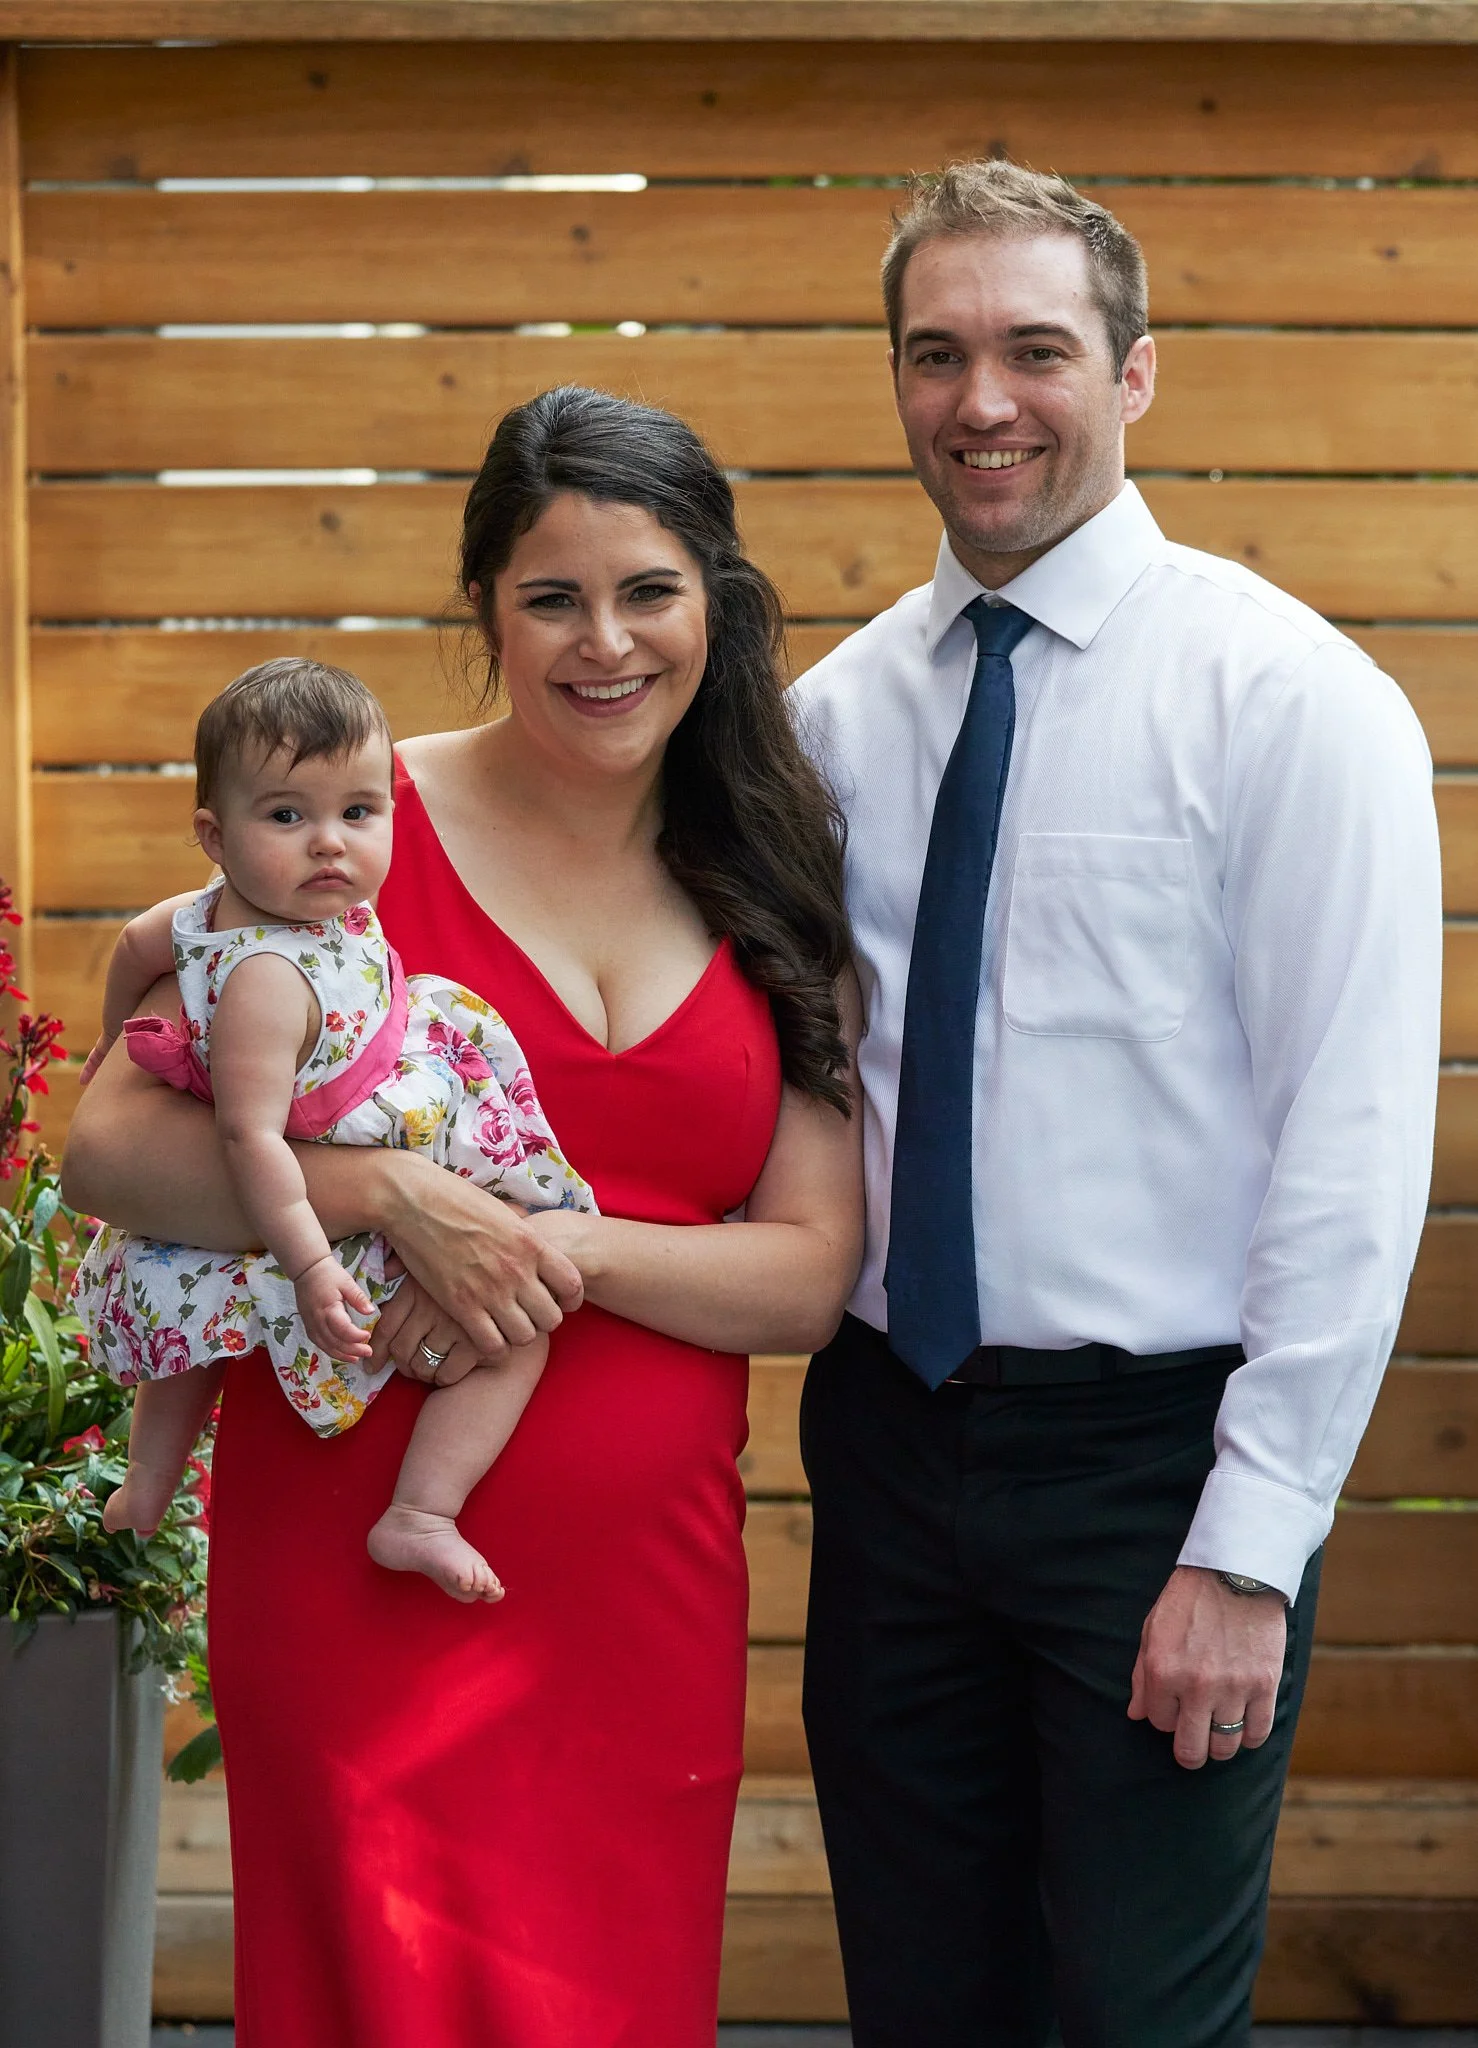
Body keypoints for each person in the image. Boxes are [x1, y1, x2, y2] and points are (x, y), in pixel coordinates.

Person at [63, 386, 863, 2048]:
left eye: (647, 589)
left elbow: (802, 1275)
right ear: (484, 611)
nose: (604, 641)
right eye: (549, 596)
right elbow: (109, 1144)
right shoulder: (348, 828)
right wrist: (386, 1192)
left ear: (710, 593)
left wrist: (543, 1244)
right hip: (355, 1568)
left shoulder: (766, 861)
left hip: (642, 1599)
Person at [788, 159, 1442, 2048]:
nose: (979, 398)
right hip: (894, 1448)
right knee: (921, 2005)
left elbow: (1350, 1144)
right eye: (934, 353)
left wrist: (1248, 1548)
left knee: (1135, 2020)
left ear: (1133, 374)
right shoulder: (831, 723)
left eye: (1032, 349)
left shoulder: (1289, 700)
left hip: (1157, 1468)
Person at [74, 658, 595, 1604]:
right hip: (307, 1206)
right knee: (516, 1332)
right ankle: (422, 1513)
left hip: (320, 1154)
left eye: (358, 813)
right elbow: (253, 1143)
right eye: (287, 817)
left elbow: (134, 947)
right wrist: (315, 1268)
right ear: (214, 834)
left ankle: (147, 1484)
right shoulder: (270, 979)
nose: (329, 846)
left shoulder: (206, 915)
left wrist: (114, 1035)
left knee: (209, 1335)